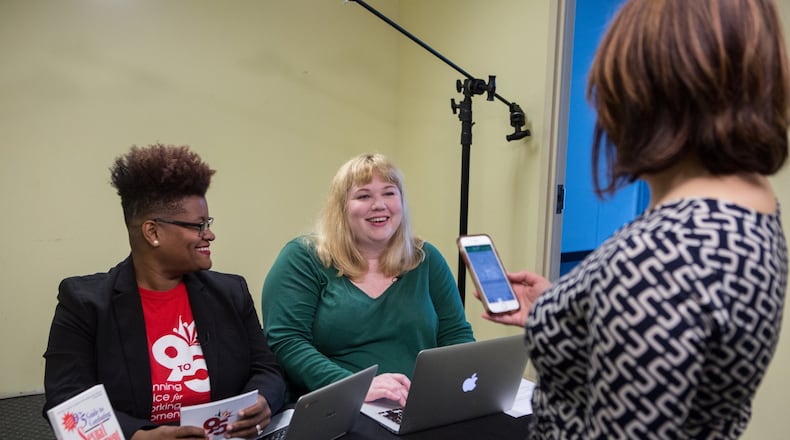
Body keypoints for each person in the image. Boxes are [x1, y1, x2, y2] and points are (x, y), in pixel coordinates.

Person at [475, 0, 789, 438]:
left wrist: (613, 293)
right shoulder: (752, 207)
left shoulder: (656, 262)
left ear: (646, 95)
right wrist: (568, 310)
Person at [43, 143, 286, 440]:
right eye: (198, 225)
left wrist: (263, 402)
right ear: (153, 232)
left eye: (207, 223)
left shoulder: (231, 292)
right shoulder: (84, 303)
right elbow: (66, 401)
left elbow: (267, 369)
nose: (209, 234)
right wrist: (140, 436)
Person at [261, 153, 474, 406]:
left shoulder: (426, 258)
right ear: (340, 208)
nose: (379, 205)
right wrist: (357, 387)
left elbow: (455, 334)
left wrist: (469, 382)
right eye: (364, 196)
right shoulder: (303, 257)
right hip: (336, 407)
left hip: (417, 404)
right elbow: (287, 341)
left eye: (389, 193)